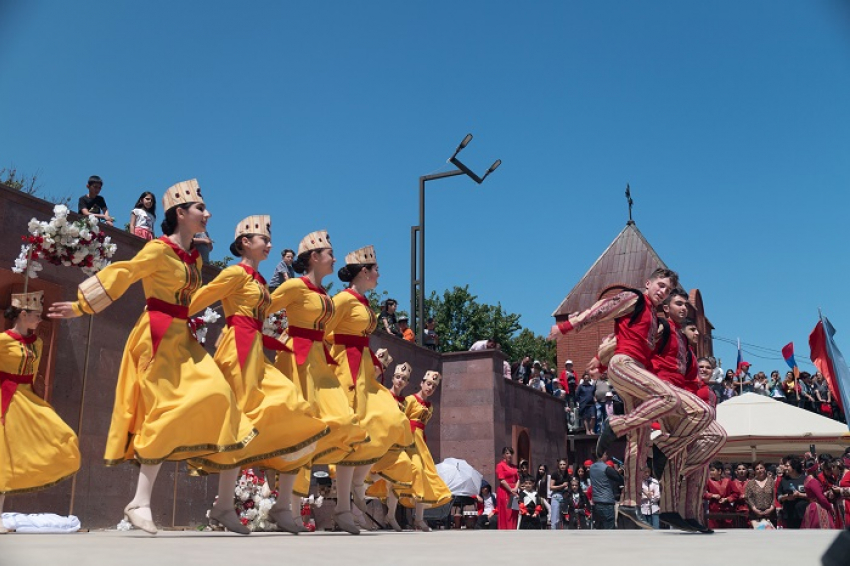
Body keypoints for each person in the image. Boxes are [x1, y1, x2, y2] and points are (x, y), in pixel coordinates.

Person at [48, 179, 258, 535]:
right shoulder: (159, 250)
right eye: (200, 209)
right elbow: (125, 273)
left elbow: (196, 298)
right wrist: (82, 305)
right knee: (164, 409)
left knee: (221, 396)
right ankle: (139, 501)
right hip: (157, 337)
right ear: (180, 214)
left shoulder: (192, 257)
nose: (208, 214)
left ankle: (222, 505)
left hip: (184, 339)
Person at [186, 215, 331, 534]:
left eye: (269, 238)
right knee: (239, 426)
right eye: (263, 239)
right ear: (244, 243)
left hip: (256, 352)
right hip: (237, 351)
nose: (270, 244)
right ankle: (224, 506)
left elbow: (267, 313)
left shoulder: (261, 281)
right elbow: (203, 296)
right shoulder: (235, 273)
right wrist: (171, 314)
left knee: (296, 409)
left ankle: (279, 506)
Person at [552, 268, 704, 529]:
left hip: (637, 372)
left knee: (640, 436)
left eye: (667, 290)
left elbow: (618, 336)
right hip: (625, 365)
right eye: (660, 286)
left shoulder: (655, 319)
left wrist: (599, 362)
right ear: (648, 283)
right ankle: (616, 424)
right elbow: (604, 307)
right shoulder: (635, 298)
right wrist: (568, 326)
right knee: (670, 398)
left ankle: (629, 502)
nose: (662, 292)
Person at [269, 230, 369, 535]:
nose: (334, 258)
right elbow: (260, 307)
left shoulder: (325, 296)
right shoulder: (294, 286)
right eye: (329, 253)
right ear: (314, 257)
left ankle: (338, 506)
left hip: (320, 365)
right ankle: (287, 506)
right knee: (302, 431)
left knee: (343, 421)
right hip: (298, 361)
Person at [327, 245, 414, 526]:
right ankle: (344, 505)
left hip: (363, 368)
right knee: (349, 434)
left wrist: (373, 364)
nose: (379, 274)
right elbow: (324, 331)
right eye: (375, 269)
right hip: (345, 369)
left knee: (389, 419)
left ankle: (356, 483)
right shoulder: (341, 300)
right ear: (363, 272)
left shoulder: (363, 302)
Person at [0, 291, 81, 533]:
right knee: (4, 458)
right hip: (5, 401)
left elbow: (33, 376)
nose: (39, 320)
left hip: (28, 401)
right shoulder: (2, 341)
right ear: (22, 315)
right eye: (36, 316)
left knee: (64, 436)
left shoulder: (37, 343)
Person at [402, 370, 452, 530]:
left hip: (420, 443)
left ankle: (419, 518)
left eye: (434, 386)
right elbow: (400, 419)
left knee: (425, 475)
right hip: (408, 440)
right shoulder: (410, 400)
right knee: (415, 471)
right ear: (422, 383)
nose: (430, 388)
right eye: (428, 384)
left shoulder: (429, 407)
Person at [589, 450, 623, 529]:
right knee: (609, 528)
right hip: (607, 503)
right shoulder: (606, 468)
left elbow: (602, 478)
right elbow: (620, 479)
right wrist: (620, 471)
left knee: (599, 528)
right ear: (601, 455)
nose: (607, 456)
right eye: (606, 454)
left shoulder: (592, 467)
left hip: (597, 503)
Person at [705, 460, 737, 529]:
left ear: (719, 471)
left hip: (727, 512)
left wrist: (727, 499)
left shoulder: (728, 481)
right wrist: (712, 495)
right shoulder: (708, 482)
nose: (711, 472)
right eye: (710, 470)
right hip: (714, 513)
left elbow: (736, 494)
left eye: (713, 470)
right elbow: (702, 494)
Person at [777, 457, 808, 529]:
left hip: (804, 515)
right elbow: (779, 497)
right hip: (789, 516)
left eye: (787, 466)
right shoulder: (784, 480)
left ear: (794, 467)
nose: (785, 468)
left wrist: (800, 495)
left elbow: (813, 495)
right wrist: (786, 497)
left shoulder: (805, 479)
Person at [745, 461, 777, 528]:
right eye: (757, 469)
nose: (759, 470)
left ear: (765, 469)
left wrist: (771, 508)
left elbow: (775, 496)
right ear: (754, 471)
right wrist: (755, 509)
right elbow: (748, 498)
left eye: (761, 468)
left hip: (770, 515)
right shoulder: (750, 483)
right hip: (755, 516)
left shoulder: (771, 481)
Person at [496, 447, 519, 529]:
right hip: (505, 491)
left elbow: (519, 479)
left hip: (514, 492)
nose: (509, 455)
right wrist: (510, 490)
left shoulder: (514, 467)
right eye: (507, 453)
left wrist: (516, 488)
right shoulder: (500, 465)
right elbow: (502, 480)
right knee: (507, 512)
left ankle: (513, 530)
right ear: (503, 455)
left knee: (514, 512)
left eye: (511, 453)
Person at [549, 459, 570, 530]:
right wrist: (562, 486)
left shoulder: (567, 474)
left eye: (564, 464)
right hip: (556, 496)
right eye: (561, 464)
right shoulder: (555, 474)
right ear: (558, 465)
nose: (562, 466)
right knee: (555, 518)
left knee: (564, 517)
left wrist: (567, 491)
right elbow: (551, 487)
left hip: (565, 497)